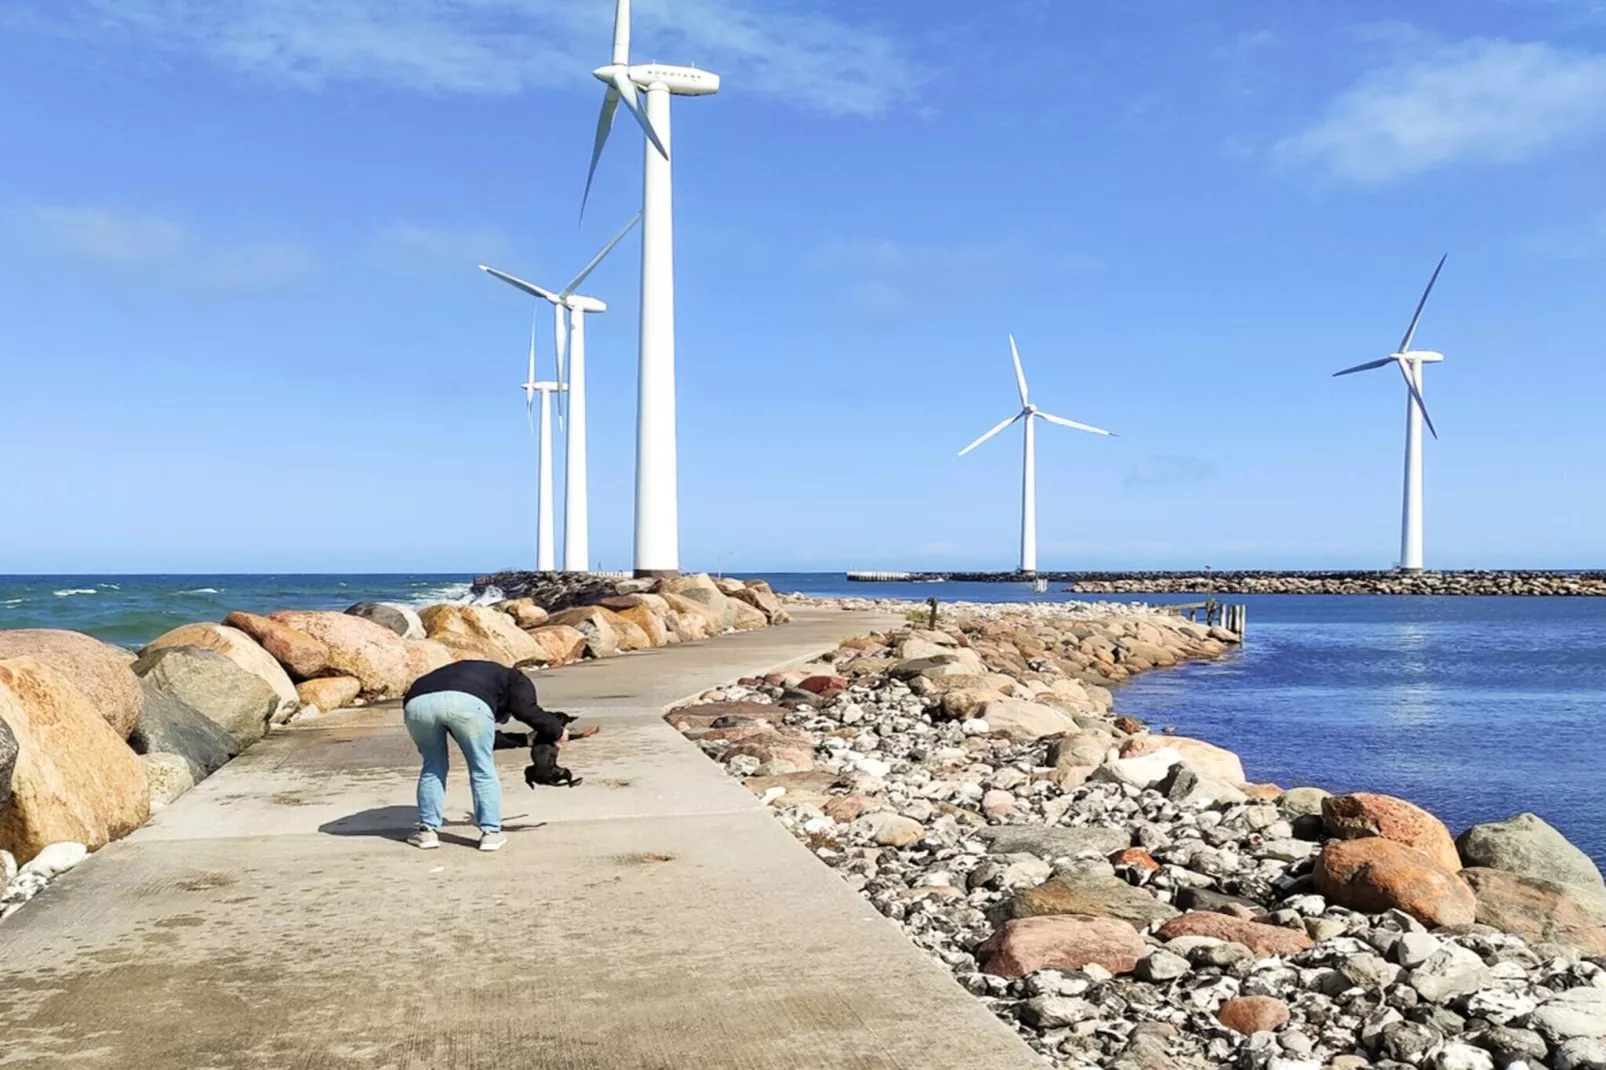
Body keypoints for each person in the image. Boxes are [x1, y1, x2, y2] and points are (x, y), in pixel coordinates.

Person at [400, 659, 568, 851]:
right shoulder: (516, 679)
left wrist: (525, 740)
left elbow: (482, 737)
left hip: (418, 703)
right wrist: (557, 731)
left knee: (433, 765)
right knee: (481, 768)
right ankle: (491, 834)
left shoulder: (474, 674)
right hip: (468, 704)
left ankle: (426, 832)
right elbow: (527, 711)